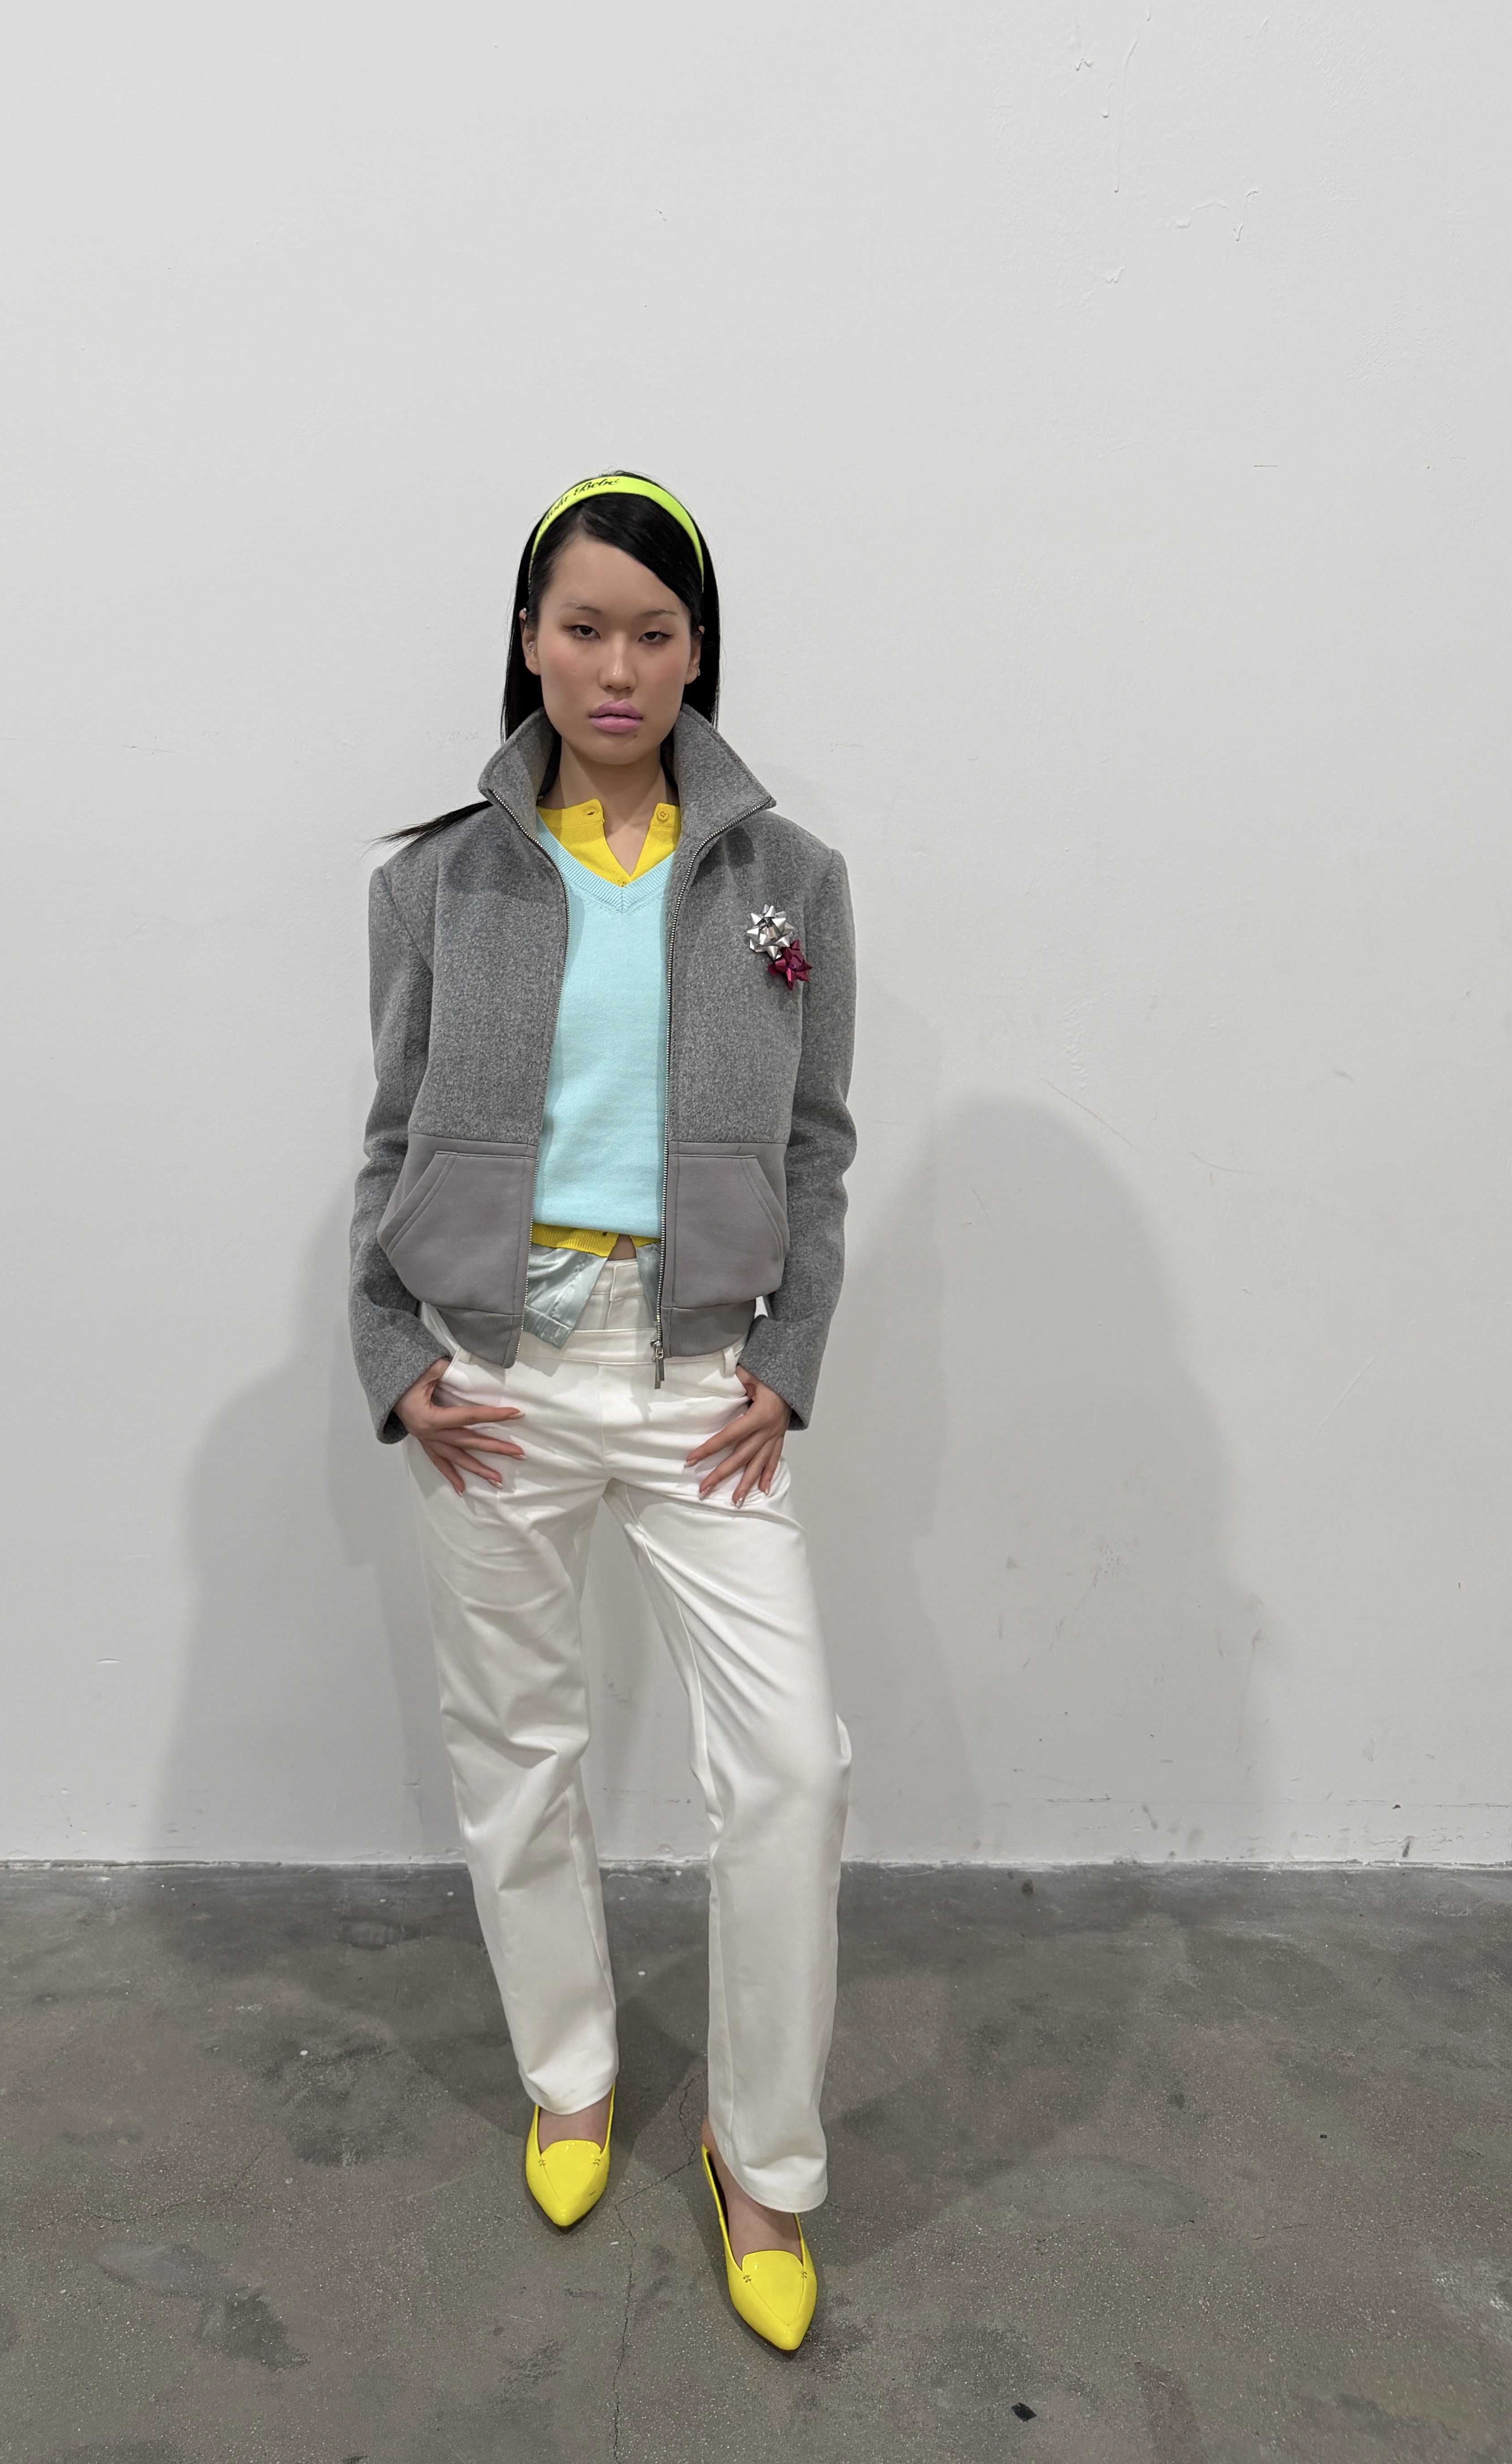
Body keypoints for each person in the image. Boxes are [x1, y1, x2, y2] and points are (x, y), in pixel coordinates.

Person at [348, 471, 855, 2353]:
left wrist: (788, 1357)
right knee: (518, 1741)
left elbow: (817, 1146)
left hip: (696, 1375)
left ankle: (763, 2160)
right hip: (493, 1370)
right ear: (530, 640)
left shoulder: (787, 880)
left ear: (697, 647)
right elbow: (388, 1136)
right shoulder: (437, 881)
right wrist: (386, 1349)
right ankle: (569, 2076)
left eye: (653, 631)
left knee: (790, 1767)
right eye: (584, 628)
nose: (618, 666)